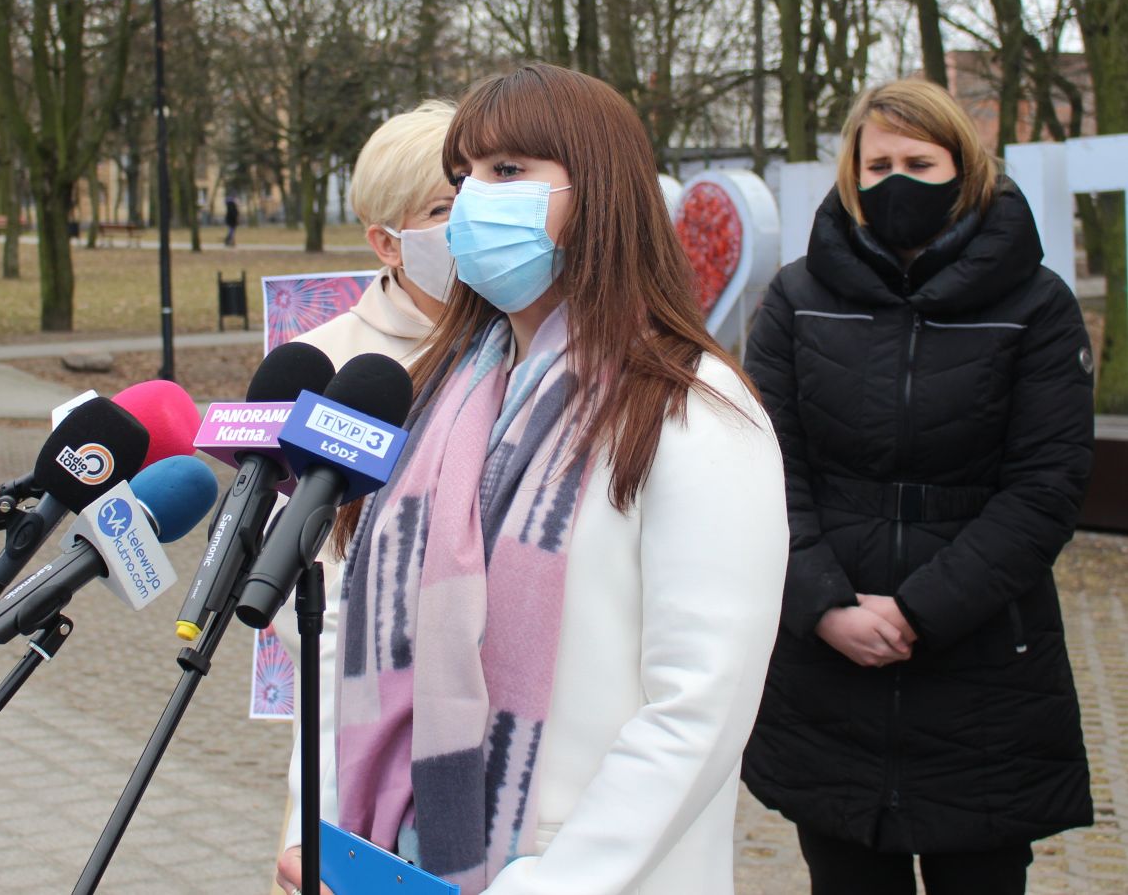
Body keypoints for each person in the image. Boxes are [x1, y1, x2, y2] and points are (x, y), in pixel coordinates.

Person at [274, 64, 787, 895]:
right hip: (392, 862)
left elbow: (699, 704)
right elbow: (343, 636)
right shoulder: (431, 395)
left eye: (508, 169)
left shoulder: (693, 410)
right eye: (461, 177)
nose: (474, 199)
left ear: (602, 192)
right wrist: (323, 836)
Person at [740, 78, 1094, 895]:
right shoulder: (795, 298)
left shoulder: (1036, 304)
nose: (894, 181)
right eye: (877, 165)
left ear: (962, 168)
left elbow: (1044, 486)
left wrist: (919, 610)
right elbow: (763, 470)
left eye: (918, 162)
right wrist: (824, 604)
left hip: (983, 669)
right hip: (828, 674)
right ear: (850, 174)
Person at [269, 98, 457, 891]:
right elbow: (292, 585)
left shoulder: (532, 347)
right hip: (357, 732)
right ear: (385, 242)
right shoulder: (325, 363)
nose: (468, 222)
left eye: (477, 192)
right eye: (441, 209)